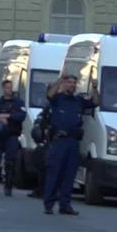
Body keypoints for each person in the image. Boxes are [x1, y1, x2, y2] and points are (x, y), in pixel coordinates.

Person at [42, 74, 99, 215]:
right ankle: (49, 204)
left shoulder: (78, 101)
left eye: (74, 83)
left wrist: (94, 87)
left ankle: (65, 205)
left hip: (73, 142)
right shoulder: (57, 99)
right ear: (64, 84)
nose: (72, 85)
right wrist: (60, 79)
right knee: (55, 174)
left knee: (69, 175)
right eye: (69, 82)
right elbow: (49, 95)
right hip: (59, 141)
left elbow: (95, 102)